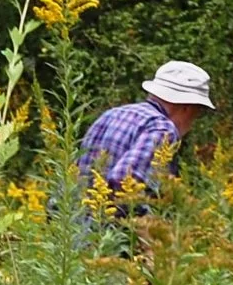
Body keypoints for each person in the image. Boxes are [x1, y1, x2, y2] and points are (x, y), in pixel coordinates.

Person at [75, 60, 214, 213]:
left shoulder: (111, 115)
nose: (193, 121)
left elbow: (77, 175)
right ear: (187, 107)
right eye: (198, 112)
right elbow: (125, 183)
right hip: (111, 229)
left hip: (76, 227)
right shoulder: (162, 129)